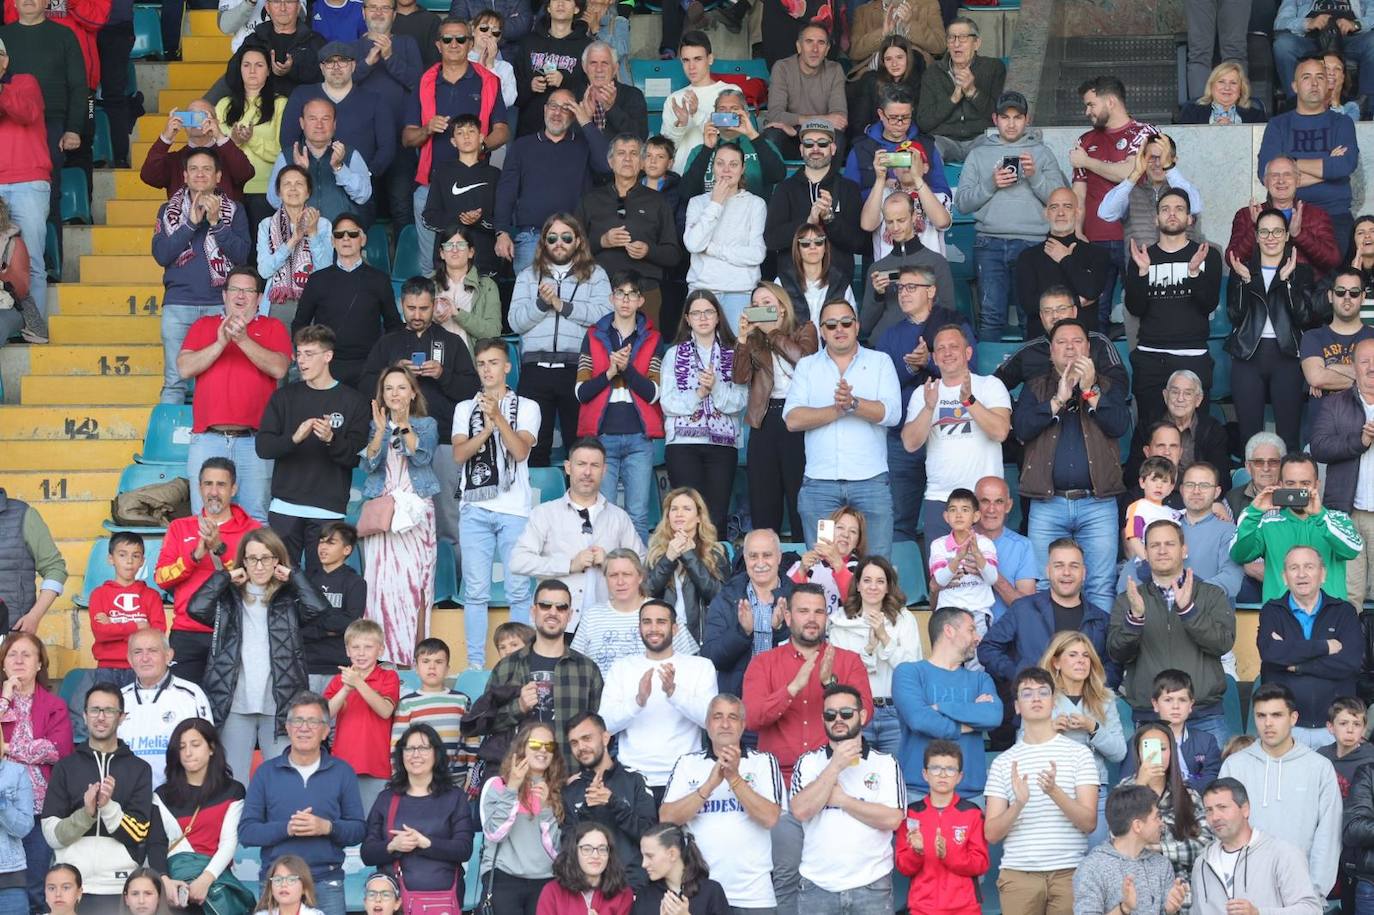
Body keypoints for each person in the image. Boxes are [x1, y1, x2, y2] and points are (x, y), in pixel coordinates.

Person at [359, 278, 479, 585]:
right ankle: (399, 583)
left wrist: (443, 374)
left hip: (440, 441)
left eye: (424, 308)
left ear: (435, 304)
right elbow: (365, 385)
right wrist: (393, 373)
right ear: (401, 305)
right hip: (393, 443)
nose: (417, 314)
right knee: (393, 518)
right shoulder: (388, 342)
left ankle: (450, 586)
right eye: (411, 308)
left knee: (446, 517)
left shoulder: (451, 342)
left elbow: (471, 390)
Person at [186, 528, 330, 781]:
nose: (260, 565)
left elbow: (318, 608)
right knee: (232, 781)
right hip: (234, 704)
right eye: (252, 558)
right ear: (243, 561)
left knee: (284, 780)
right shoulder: (228, 599)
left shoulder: (289, 599)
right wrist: (224, 578)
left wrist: (295, 576)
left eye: (267, 558)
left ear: (278, 561)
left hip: (279, 704)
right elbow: (196, 608)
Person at [1012, 319, 1130, 614]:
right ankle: (1048, 655)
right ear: (1051, 351)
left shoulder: (1108, 384)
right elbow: (1021, 429)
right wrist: (1057, 401)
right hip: (1048, 502)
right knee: (1043, 583)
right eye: (1062, 342)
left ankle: (1097, 655)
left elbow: (1119, 425)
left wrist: (1090, 391)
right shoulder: (1036, 387)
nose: (1070, 347)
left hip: (1098, 502)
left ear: (1088, 348)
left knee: (1100, 584)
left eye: (1077, 341)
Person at [784, 299, 901, 557]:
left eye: (846, 322)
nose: (840, 329)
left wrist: (853, 404)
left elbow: (892, 414)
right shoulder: (807, 366)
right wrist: (837, 410)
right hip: (820, 485)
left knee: (876, 563)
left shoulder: (881, 362)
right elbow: (792, 419)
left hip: (870, 482)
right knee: (823, 565)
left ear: (857, 326)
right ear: (822, 331)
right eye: (831, 324)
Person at [175, 267, 291, 524]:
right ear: (225, 296)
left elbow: (280, 368)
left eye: (248, 291)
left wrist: (242, 340)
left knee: (256, 519)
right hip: (208, 439)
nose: (241, 296)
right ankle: (211, 567)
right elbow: (184, 368)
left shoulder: (272, 327)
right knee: (205, 518)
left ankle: (251, 567)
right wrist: (220, 342)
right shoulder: (204, 325)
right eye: (235, 290)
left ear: (259, 298)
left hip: (255, 441)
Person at [450, 337, 539, 668]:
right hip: (475, 510)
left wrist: (498, 418)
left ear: (507, 367)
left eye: (493, 363)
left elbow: (520, 451)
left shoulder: (528, 407)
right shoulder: (464, 408)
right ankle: (476, 666)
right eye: (482, 363)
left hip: (514, 510)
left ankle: (521, 664)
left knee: (518, 591)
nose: (487, 369)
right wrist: (485, 431)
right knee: (475, 593)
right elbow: (459, 455)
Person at [983, 667, 1100, 915]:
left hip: (1070, 873)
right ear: (1016, 706)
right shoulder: (1003, 762)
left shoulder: (1079, 754)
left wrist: (1054, 791)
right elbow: (992, 833)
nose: (1036, 698)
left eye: (1043, 692)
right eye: (1027, 693)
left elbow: (1089, 822)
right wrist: (1018, 804)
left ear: (1053, 701)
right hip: (1019, 875)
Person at [238, 691, 366, 915]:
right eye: (297, 720)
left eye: (313, 721)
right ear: (287, 728)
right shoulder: (266, 772)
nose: (304, 728)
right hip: (277, 885)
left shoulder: (342, 772)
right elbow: (247, 832)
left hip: (326, 882)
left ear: (326, 730)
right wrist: (287, 828)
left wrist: (326, 827)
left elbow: (358, 830)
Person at [1109, 518, 1234, 746]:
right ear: (1145, 552)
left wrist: (1188, 611)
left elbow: (1222, 643)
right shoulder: (1129, 599)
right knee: (1151, 782)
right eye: (1155, 545)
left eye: (1170, 544)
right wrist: (1135, 619)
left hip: (1204, 716)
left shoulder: (1211, 595)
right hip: (1150, 717)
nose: (1162, 550)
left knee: (1212, 783)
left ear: (1184, 550)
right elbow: (1118, 653)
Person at [954, 90, 1066, 342]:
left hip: (1034, 243)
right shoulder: (979, 154)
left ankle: (1035, 377)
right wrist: (991, 183)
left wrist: (1035, 176)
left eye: (1018, 117)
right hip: (989, 243)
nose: (1012, 123)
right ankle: (988, 378)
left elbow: (1060, 202)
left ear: (1027, 120)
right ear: (995, 119)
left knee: (1034, 315)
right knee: (991, 315)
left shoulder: (1042, 152)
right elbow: (962, 204)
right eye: (1005, 117)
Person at [256, 323, 370, 572]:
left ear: (327, 356)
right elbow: (263, 447)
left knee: (323, 587)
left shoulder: (354, 401)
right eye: (299, 354)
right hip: (285, 506)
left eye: (309, 354)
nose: (301, 361)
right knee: (281, 583)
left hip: (328, 509)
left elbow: (354, 457)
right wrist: (293, 438)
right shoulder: (283, 397)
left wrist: (332, 439)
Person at [401, 17, 509, 275]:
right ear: (438, 45)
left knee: (477, 264)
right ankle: (434, 313)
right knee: (431, 265)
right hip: (430, 186)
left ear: (470, 43)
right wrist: (427, 129)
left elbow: (503, 131)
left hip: (477, 185)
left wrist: (480, 146)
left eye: (460, 39)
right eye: (447, 39)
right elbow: (407, 138)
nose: (454, 44)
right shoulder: (424, 82)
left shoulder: (488, 81)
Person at [788, 682, 906, 914]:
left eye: (846, 713)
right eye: (830, 715)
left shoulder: (885, 763)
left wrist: (843, 800)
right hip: (816, 886)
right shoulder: (808, 762)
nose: (838, 719)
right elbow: (800, 810)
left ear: (862, 716)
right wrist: (835, 766)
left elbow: (893, 819)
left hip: (872, 886)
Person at [659, 693, 784, 911]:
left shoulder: (763, 761)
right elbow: (666, 818)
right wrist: (708, 786)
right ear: (707, 724)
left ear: (743, 725)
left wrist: (734, 778)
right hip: (699, 893)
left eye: (733, 717)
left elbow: (770, 818)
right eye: (718, 716)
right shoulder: (687, 763)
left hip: (753, 897)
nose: (725, 724)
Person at [507, 213, 613, 467]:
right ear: (543, 242)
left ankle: (578, 506)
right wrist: (542, 305)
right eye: (552, 238)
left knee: (579, 450)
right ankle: (536, 504)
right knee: (532, 450)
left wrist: (562, 305)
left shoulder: (596, 274)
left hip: (578, 370)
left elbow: (605, 317)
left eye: (566, 237)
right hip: (535, 370)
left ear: (578, 241)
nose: (559, 243)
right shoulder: (527, 276)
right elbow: (515, 321)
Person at [1219, 682, 1342, 901]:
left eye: (1276, 715)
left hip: (1301, 893)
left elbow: (1329, 833)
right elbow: (1222, 828)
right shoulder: (1235, 766)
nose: (1268, 723)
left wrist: (1313, 892)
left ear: (1293, 718)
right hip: (1244, 894)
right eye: (1261, 715)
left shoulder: (1319, 767)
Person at [873, 265, 968, 543]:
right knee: (899, 518)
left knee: (952, 517)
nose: (904, 293)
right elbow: (882, 385)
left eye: (911, 287)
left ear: (932, 292)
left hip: (949, 432)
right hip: (903, 436)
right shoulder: (890, 335)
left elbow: (969, 369)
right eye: (900, 288)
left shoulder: (953, 327)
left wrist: (929, 361)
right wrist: (913, 369)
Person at [0, 0, 84, 314]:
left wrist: (75, 127)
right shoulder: (3, 35)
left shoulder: (63, 35)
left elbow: (79, 85)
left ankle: (49, 264)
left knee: (48, 202)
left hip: (50, 123)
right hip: (9, 125)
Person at [153, 148, 254, 406]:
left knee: (215, 380)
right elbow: (162, 254)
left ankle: (209, 443)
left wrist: (217, 223)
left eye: (207, 169)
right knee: (174, 381)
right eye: (194, 169)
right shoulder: (169, 211)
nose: (200, 174)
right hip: (178, 305)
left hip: (218, 306)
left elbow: (242, 255)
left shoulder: (235, 210)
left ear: (218, 176)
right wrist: (190, 224)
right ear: (185, 176)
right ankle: (170, 443)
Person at [41, 683, 154, 912]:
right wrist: (87, 814)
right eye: (94, 710)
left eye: (109, 711)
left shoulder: (139, 769)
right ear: (84, 715)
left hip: (120, 888)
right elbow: (52, 835)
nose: (101, 717)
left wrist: (109, 807)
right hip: (71, 889)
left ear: (122, 717)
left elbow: (139, 832)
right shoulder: (65, 767)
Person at [355, 364, 439, 666]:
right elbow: (369, 464)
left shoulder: (426, 423)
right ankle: (382, 657)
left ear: (413, 392)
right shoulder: (377, 423)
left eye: (401, 387)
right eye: (389, 388)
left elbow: (423, 455)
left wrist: (403, 425)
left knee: (413, 586)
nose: (395, 393)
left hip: (415, 515)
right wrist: (380, 432)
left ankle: (409, 658)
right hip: (385, 515)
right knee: (381, 585)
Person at [573, 270, 665, 542]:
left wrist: (628, 370)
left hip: (639, 437)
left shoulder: (653, 339)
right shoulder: (593, 336)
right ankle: (606, 577)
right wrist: (611, 372)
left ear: (640, 301)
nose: (626, 300)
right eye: (620, 294)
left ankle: (637, 578)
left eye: (632, 295)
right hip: (602, 438)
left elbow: (653, 393)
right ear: (612, 298)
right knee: (604, 513)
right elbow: (581, 392)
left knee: (638, 514)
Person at [508, 438, 645, 620]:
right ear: (567, 467)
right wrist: (569, 565)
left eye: (594, 465)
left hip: (605, 624)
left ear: (604, 471)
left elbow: (642, 565)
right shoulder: (544, 513)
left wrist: (610, 563)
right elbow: (518, 562)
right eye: (581, 464)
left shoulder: (619, 517)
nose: (587, 472)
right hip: (557, 624)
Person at [154, 459, 263, 683]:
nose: (214, 492)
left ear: (234, 489)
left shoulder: (253, 530)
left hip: (234, 632)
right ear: (199, 488)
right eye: (208, 484)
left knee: (230, 711)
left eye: (221, 485)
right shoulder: (179, 527)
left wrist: (220, 549)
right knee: (184, 709)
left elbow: (255, 583)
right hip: (187, 632)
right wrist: (195, 556)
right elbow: (161, 578)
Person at [900, 324, 1011, 544]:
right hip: (941, 500)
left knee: (987, 575)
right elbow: (910, 444)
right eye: (941, 348)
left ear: (968, 353)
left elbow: (1000, 432)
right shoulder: (923, 394)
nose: (947, 352)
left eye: (954, 346)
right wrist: (929, 407)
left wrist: (969, 401)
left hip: (984, 501)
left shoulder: (990, 385)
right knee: (942, 576)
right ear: (934, 357)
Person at [1124, 190, 1222, 429]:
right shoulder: (1142, 257)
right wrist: (1143, 273)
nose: (1172, 214)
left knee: (1193, 432)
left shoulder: (1208, 256)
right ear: (1156, 219)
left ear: (1190, 219)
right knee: (1149, 431)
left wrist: (1194, 272)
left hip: (1193, 357)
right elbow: (1135, 308)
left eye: (1179, 209)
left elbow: (1207, 304)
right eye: (1165, 209)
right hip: (1150, 357)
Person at [597, 600, 715, 797]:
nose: (653, 628)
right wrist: (638, 701)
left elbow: (710, 721)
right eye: (647, 622)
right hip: (633, 778)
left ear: (675, 628)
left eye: (661, 622)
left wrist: (674, 692)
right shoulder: (621, 667)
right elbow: (604, 726)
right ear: (639, 627)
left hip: (686, 777)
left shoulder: (701, 666)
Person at [732, 283, 819, 540]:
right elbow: (739, 377)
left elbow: (806, 361)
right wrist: (743, 339)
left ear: (781, 307)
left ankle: (807, 565)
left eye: (767, 303)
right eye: (755, 305)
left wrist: (773, 334)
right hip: (765, 420)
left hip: (798, 419)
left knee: (799, 499)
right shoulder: (753, 340)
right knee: (763, 499)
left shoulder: (805, 329)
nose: (761, 309)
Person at [1225, 208, 1316, 451]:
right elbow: (1234, 315)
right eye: (1264, 231)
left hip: (1286, 356)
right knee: (1249, 436)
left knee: (1289, 434)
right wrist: (1245, 282)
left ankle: (1290, 488)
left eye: (1277, 231)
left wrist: (1287, 283)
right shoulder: (1242, 269)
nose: (1271, 237)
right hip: (1248, 356)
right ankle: (1249, 488)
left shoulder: (1301, 271)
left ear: (1287, 235)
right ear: (1255, 236)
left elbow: (1305, 317)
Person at [494, 88, 610, 278]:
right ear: (544, 110)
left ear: (574, 115)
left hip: (573, 240)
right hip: (532, 238)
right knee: (530, 302)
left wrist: (586, 122)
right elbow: (506, 191)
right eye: (553, 106)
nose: (557, 113)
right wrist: (501, 232)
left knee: (570, 304)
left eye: (565, 108)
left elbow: (607, 166)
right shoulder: (522, 146)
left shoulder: (584, 145)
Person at [1069, 76, 1153, 333]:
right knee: (1094, 313)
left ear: (1111, 101)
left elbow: (1130, 172)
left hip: (1136, 238)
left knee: (1141, 309)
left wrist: (1088, 162)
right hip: (1095, 241)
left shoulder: (1145, 133)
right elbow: (1078, 194)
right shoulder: (1085, 141)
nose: (1087, 112)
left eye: (1091, 105)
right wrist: (1077, 229)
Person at [147, 718, 255, 915]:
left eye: (195, 745)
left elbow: (229, 843)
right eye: (182, 747)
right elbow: (156, 844)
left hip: (215, 884)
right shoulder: (162, 794)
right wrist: (164, 881)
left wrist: (205, 879)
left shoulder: (233, 790)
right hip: (174, 889)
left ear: (211, 748)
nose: (188, 752)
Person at [482, 579, 605, 750]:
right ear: (533, 611)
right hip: (520, 771)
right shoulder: (506, 667)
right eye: (545, 605)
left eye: (561, 607)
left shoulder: (587, 670)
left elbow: (599, 730)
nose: (553, 612)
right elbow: (484, 724)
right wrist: (519, 707)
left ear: (569, 615)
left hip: (571, 772)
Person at [892, 607, 1002, 799]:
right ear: (949, 631)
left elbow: (993, 716)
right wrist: (969, 723)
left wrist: (940, 707)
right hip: (917, 792)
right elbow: (919, 720)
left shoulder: (981, 679)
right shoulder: (908, 672)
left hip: (971, 794)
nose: (978, 638)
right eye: (971, 630)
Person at [1257, 547, 1362, 746]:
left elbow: (1350, 662)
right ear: (1285, 577)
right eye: (1294, 568)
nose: (1302, 574)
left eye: (1309, 567)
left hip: (1335, 728)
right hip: (1286, 728)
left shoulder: (1344, 611)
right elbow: (1271, 653)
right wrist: (1324, 647)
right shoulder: (1272, 610)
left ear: (1323, 574)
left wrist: (1297, 664)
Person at [657, 294, 744, 535]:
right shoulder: (674, 354)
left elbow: (738, 402)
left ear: (718, 317)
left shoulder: (734, 352)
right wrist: (699, 393)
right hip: (683, 444)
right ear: (687, 319)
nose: (703, 318)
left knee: (716, 516)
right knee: (686, 515)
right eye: (696, 313)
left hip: (722, 445)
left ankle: (716, 571)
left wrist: (715, 388)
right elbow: (668, 403)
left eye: (709, 312)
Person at [0, 632, 75, 912]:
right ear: (3, 664)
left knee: (35, 887)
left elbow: (57, 750)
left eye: (26, 655)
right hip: (1, 804)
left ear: (39, 664)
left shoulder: (54, 706)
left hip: (37, 808)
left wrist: (6, 746)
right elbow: (42, 748)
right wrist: (5, 700)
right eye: (12, 655)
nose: (19, 660)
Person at [360, 722, 475, 898]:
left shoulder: (455, 797)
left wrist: (426, 843)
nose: (415, 755)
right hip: (395, 901)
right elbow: (367, 853)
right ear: (401, 755)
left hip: (442, 901)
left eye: (423, 748)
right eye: (409, 749)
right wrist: (392, 846)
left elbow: (464, 849)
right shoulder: (386, 798)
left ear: (436, 753)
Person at [1229, 452, 1364, 601]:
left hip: (1330, 617)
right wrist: (1254, 512)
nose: (1298, 490)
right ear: (1280, 485)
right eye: (1290, 484)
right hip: (1281, 617)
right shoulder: (1267, 522)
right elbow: (1238, 554)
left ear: (1317, 485)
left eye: (1305, 483)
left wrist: (1320, 517)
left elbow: (1352, 550)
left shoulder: (1337, 518)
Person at [1258, 56, 1361, 248]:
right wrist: (1327, 167)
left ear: (1328, 85)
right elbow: (1267, 174)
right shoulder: (1278, 125)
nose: (1314, 83)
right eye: (1306, 77)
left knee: (1332, 273)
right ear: (1295, 86)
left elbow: (1344, 165)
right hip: (1285, 214)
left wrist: (1290, 165)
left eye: (1320, 77)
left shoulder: (1342, 123)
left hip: (1334, 215)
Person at [576, 135, 679, 324]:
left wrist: (649, 251)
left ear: (641, 162)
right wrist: (602, 241)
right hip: (600, 289)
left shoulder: (658, 201)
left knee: (645, 351)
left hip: (645, 291)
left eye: (633, 154)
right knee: (600, 349)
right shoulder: (590, 200)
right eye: (621, 153)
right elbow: (572, 250)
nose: (627, 159)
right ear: (610, 161)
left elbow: (673, 254)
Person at [979, 539, 1108, 685]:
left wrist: (1096, 692)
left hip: (1082, 705)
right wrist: (1020, 676)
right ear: (1048, 571)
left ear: (1084, 573)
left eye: (1074, 566)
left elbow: (1111, 665)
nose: (1066, 572)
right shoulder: (1023, 609)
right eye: (1059, 566)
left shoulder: (1100, 619)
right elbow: (987, 648)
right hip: (1034, 704)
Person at [1038, 631, 1125, 847]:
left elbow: (1119, 752)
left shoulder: (1105, 698)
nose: (1081, 661)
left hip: (1094, 791)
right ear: (1056, 662)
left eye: (1086, 656)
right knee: (1058, 866)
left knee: (1094, 863)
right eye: (1073, 655)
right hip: (1052, 790)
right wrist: (1049, 730)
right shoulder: (1040, 696)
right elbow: (1022, 746)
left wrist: (1093, 727)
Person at [828, 556, 921, 754]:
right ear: (858, 585)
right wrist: (869, 649)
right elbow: (841, 675)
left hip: (896, 711)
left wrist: (884, 638)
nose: (873, 587)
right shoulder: (840, 622)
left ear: (888, 587)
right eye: (867, 580)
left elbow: (912, 669)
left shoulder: (904, 619)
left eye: (880, 581)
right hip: (855, 713)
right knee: (857, 779)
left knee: (896, 777)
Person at [1311, 336, 1374, 604]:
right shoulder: (1335, 403)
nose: (1372, 367)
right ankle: (1352, 647)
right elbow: (1319, 447)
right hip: (1346, 514)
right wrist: (1359, 442)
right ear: (1352, 366)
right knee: (1349, 597)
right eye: (1365, 361)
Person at [479, 721, 566, 915]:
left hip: (545, 881)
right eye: (535, 744)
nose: (543, 750)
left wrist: (545, 809)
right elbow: (494, 833)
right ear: (522, 747)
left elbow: (557, 852)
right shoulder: (497, 784)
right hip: (504, 880)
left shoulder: (558, 790)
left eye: (549, 746)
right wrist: (512, 789)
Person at [561, 713, 656, 888]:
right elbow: (567, 847)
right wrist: (587, 810)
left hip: (632, 887)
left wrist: (613, 803)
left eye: (586, 738)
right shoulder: (570, 790)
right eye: (574, 743)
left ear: (605, 738)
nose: (581, 747)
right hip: (588, 890)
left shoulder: (634, 779)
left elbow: (651, 835)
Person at [1116, 721, 1214, 890]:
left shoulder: (1188, 794)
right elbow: (1117, 839)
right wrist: (1139, 786)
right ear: (1138, 754)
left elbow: (1206, 844)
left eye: (1163, 749)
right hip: (1136, 889)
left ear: (1172, 752)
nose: (1157, 755)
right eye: (1148, 749)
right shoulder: (1123, 791)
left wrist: (1161, 849)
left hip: (1181, 889)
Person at [893, 739, 986, 915]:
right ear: (925, 774)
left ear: (959, 777)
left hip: (965, 908)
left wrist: (948, 854)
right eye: (935, 768)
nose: (942, 775)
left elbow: (980, 864)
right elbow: (903, 867)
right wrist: (917, 852)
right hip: (923, 908)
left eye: (950, 769)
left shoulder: (972, 813)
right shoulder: (911, 814)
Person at [277, 43, 394, 181]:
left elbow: (387, 148)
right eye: (330, 62)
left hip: (360, 186)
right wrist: (300, 175)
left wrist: (367, 176)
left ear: (353, 66)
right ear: (321, 68)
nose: (336, 67)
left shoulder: (375, 99)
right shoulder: (302, 95)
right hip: (311, 184)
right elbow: (288, 141)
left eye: (343, 61)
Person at [700, 528, 795, 696]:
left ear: (779, 557)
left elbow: (810, 655)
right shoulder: (726, 597)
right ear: (745, 558)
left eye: (767, 555)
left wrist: (780, 631)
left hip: (785, 697)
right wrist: (742, 633)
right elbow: (710, 658)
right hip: (738, 702)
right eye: (753, 556)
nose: (760, 562)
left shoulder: (797, 597)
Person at [763, 120, 865, 276]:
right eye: (809, 144)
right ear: (801, 149)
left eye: (823, 143)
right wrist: (808, 222)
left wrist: (830, 219)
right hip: (793, 282)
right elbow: (772, 240)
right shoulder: (785, 189)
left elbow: (859, 243)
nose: (815, 149)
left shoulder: (848, 189)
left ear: (833, 148)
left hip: (837, 282)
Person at [0, 37, 52, 340]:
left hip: (28, 180)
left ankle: (34, 327)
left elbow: (26, 112)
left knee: (30, 259)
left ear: (5, 60)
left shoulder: (25, 82)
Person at [117, 628, 214, 789]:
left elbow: (208, 749)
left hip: (179, 797)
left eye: (153, 651)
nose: (145, 658)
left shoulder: (191, 695)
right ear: (129, 659)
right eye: (138, 652)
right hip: (129, 800)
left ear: (168, 656)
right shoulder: (118, 700)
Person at [572, 551, 697, 675]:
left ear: (640, 577)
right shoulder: (591, 616)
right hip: (603, 694)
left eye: (627, 574)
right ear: (605, 578)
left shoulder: (663, 612)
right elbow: (574, 665)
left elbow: (690, 664)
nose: (620, 582)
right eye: (613, 575)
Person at [683, 146, 767, 328]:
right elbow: (693, 244)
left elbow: (757, 254)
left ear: (743, 169)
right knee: (702, 354)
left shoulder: (755, 204)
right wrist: (716, 203)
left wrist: (713, 249)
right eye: (720, 164)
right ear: (713, 167)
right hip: (702, 292)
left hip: (742, 292)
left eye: (733, 164)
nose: (726, 170)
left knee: (740, 353)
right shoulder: (697, 203)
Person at [1072, 784, 1188, 915]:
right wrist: (1123, 909)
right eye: (1157, 817)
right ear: (1138, 826)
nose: (1162, 823)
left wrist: (1170, 910)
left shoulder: (1161, 864)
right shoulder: (1092, 867)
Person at [1012, 194, 1115, 338]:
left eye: (1067, 206)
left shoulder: (1097, 254)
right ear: (1046, 213)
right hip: (1041, 345)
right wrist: (1077, 301)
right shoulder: (1028, 256)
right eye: (1054, 207)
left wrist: (1065, 258)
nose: (1061, 213)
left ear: (1078, 212)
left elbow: (1091, 291)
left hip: (1084, 344)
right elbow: (1029, 305)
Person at [322, 619, 400, 811]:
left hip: (377, 764)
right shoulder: (338, 680)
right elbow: (324, 716)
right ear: (347, 651)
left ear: (380, 650)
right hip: (343, 763)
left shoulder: (388, 677)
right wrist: (345, 689)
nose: (361, 653)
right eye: (355, 647)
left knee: (373, 823)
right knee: (345, 822)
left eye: (368, 647)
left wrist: (359, 683)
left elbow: (385, 710)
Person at [858, 193, 956, 342]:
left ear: (914, 216)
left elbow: (949, 315)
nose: (895, 227)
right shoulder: (877, 268)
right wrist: (878, 295)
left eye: (901, 220)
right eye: (889, 222)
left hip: (924, 345)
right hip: (886, 348)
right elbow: (865, 325)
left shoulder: (936, 262)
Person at [1226, 156, 1342, 276]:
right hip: (1259, 289)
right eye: (1275, 175)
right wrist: (1257, 227)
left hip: (1305, 290)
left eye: (1287, 175)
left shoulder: (1318, 215)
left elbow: (1333, 261)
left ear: (1298, 180)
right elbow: (1232, 259)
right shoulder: (1246, 215)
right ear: (1265, 182)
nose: (1281, 181)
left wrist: (1299, 234)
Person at [217, 42, 289, 228]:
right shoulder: (223, 105)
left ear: (268, 70)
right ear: (239, 69)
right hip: (229, 191)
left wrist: (252, 140)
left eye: (259, 65)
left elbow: (283, 153)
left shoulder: (280, 104)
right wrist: (233, 142)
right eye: (246, 65)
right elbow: (212, 154)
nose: (252, 71)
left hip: (265, 192)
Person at [644, 488, 727, 646]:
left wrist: (689, 556)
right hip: (662, 637)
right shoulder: (655, 552)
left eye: (686, 509)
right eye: (674, 509)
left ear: (698, 517)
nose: (679, 513)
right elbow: (646, 593)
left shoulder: (715, 552)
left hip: (701, 640)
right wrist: (668, 558)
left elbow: (719, 596)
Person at [914, 17, 1004, 163]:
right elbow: (924, 122)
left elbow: (1000, 117)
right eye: (951, 38)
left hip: (981, 138)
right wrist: (953, 99)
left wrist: (972, 92)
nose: (956, 44)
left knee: (999, 147)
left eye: (962, 38)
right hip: (944, 140)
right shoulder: (933, 73)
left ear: (976, 43)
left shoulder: (993, 68)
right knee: (925, 152)